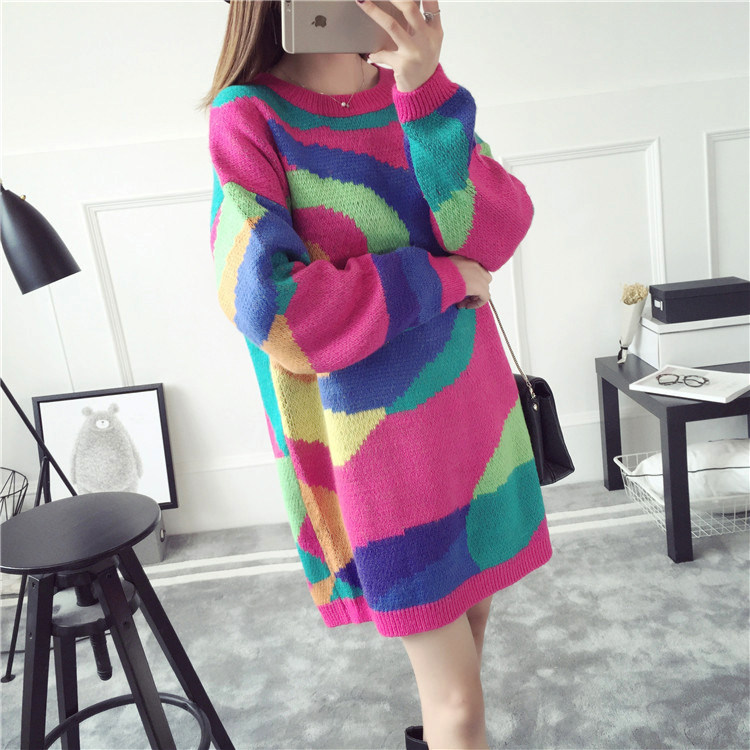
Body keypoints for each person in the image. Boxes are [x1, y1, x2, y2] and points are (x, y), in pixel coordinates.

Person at [203, 1, 553, 748]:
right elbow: (275, 310)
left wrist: (426, 94)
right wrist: (442, 279)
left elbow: (495, 231)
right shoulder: (249, 116)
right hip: (377, 452)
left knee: (470, 635)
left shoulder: (412, 91)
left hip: (475, 416)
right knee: (459, 704)